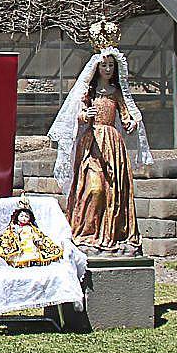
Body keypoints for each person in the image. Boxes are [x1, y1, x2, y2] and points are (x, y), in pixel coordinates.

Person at [48, 20, 153, 256]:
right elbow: (78, 113)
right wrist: (84, 115)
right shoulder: (88, 91)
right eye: (104, 65)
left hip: (112, 144)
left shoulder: (116, 92)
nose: (107, 69)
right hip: (92, 144)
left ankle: (113, 233)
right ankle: (86, 233)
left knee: (113, 190)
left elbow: (127, 115)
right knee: (94, 188)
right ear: (96, 67)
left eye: (111, 65)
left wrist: (131, 122)